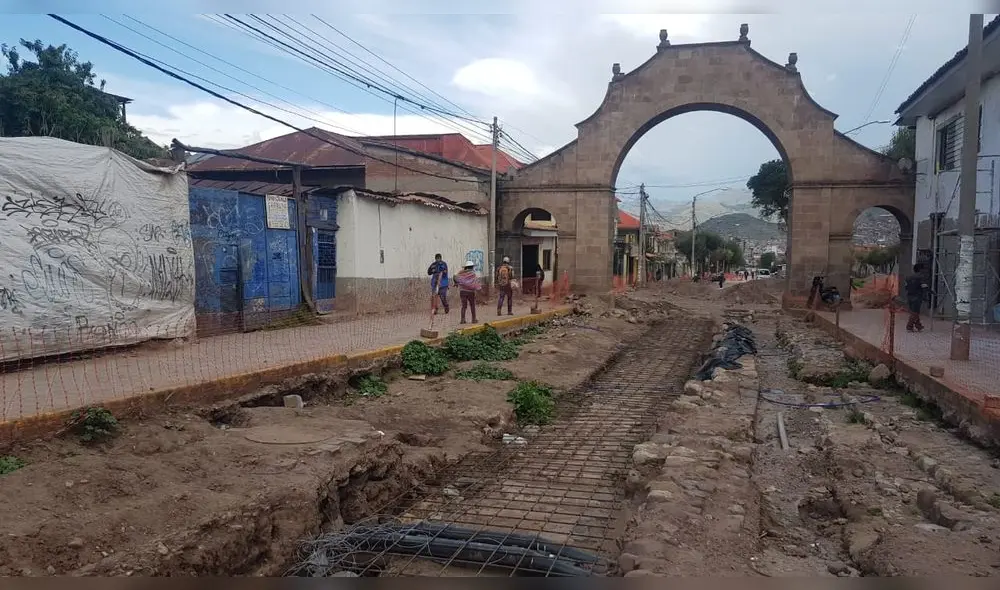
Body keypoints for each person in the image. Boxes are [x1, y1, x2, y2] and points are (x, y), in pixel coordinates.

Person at [904, 263, 930, 332]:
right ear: (920, 269)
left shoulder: (908, 277)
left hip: (909, 296)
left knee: (913, 312)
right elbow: (924, 287)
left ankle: (918, 325)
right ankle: (909, 326)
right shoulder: (921, 277)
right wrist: (926, 296)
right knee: (915, 312)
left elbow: (906, 287)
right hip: (917, 296)